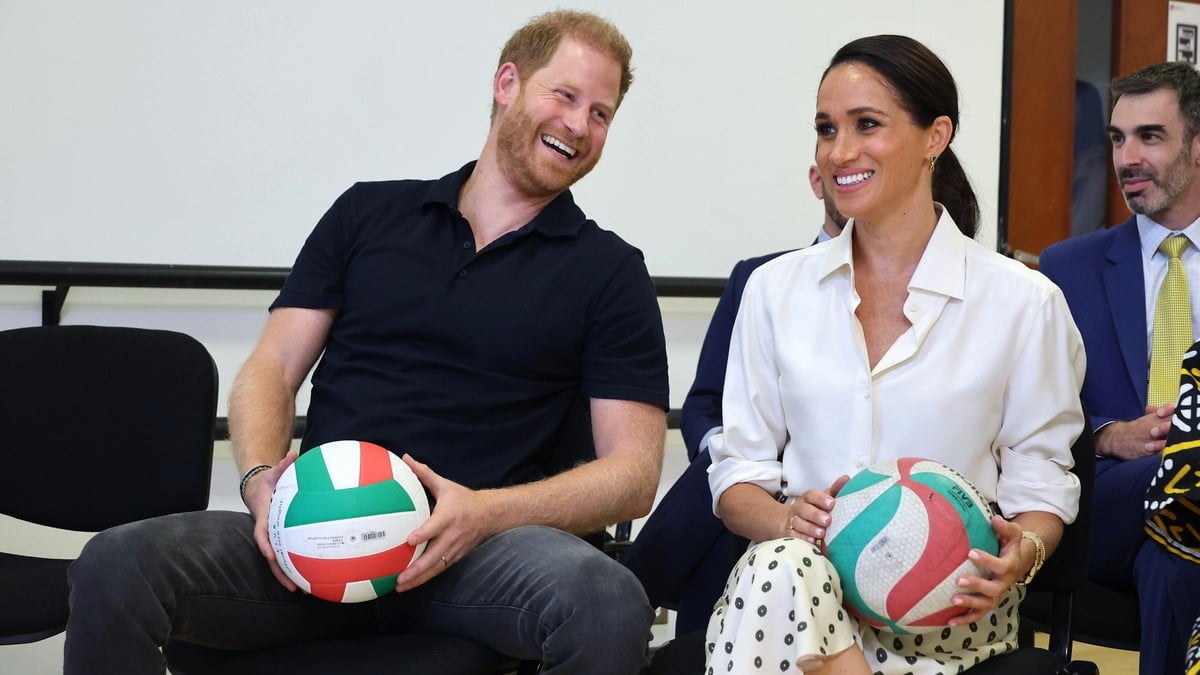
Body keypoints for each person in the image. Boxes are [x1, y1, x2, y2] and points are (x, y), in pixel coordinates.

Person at [64, 10, 669, 674]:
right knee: (115, 566)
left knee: (608, 601)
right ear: (507, 84)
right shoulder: (368, 213)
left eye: (602, 113)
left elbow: (633, 474)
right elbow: (270, 366)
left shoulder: (610, 271)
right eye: (565, 95)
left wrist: (485, 513)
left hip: (476, 555)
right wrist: (263, 481)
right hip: (313, 542)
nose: (580, 125)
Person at [704, 35, 1084, 674]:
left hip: (947, 615)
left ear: (936, 136)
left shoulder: (1027, 303)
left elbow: (1042, 487)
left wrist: (1023, 555)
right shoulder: (773, 290)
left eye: (867, 125)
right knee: (781, 566)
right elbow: (735, 473)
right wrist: (784, 521)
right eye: (827, 129)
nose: (839, 152)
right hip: (798, 592)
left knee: (773, 584)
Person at [622, 165, 845, 637]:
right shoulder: (761, 278)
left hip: (826, 487)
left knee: (727, 499)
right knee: (728, 473)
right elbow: (705, 402)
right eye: (828, 133)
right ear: (814, 179)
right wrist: (744, 459)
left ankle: (628, 600)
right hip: (754, 477)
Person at [1040, 60, 1200, 675]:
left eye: (1150, 137)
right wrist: (1111, 432)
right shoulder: (1066, 269)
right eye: (1116, 138)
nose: (1126, 156)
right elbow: (1022, 415)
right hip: (1102, 506)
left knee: (1177, 558)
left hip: (1182, 527)